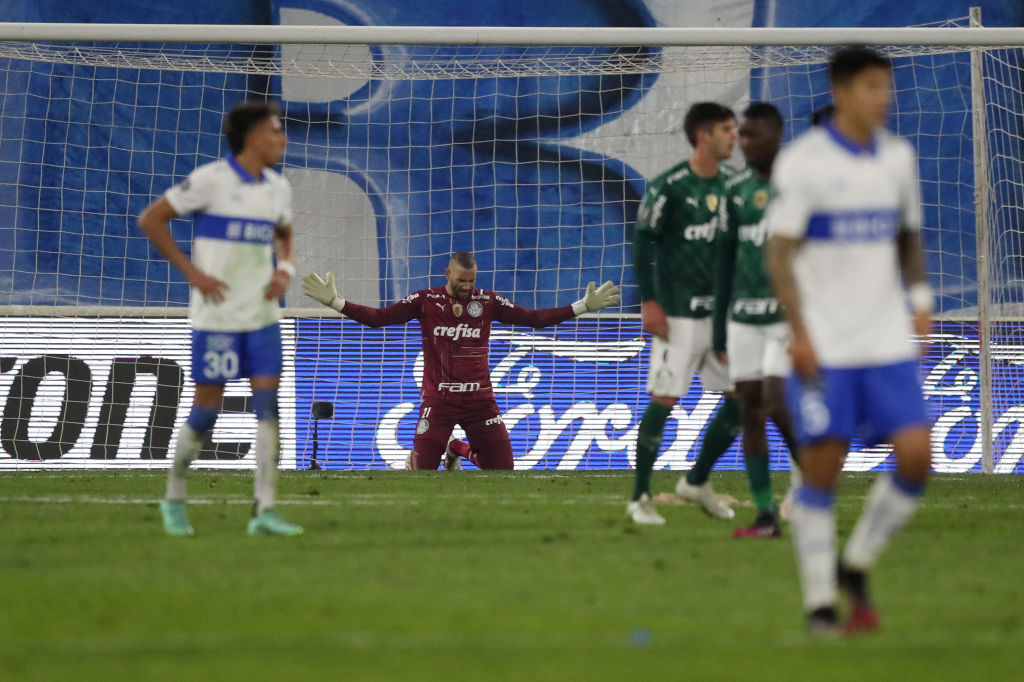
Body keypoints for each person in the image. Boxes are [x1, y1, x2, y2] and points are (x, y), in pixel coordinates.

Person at [766, 46, 933, 634]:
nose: (883, 97)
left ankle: (855, 564)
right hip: (828, 343)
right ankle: (818, 604)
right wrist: (801, 332)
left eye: (886, 86)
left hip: (885, 336)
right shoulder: (804, 162)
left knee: (917, 457)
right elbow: (779, 252)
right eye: (870, 86)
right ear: (840, 91)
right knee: (824, 467)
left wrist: (920, 300)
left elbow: (907, 237)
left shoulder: (897, 157)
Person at [138, 100, 303, 537]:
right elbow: (152, 219)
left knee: (268, 408)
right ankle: (174, 500)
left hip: (263, 316)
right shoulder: (210, 181)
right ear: (252, 138)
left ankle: (264, 511)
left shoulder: (277, 187)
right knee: (206, 412)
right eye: (275, 131)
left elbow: (284, 234)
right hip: (217, 318)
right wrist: (193, 274)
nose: (283, 139)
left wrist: (284, 270)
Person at [302, 252, 620, 470]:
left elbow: (534, 319)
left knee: (503, 472)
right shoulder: (425, 300)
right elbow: (379, 318)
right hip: (439, 402)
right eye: (461, 281)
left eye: (471, 281)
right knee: (422, 474)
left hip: (481, 402)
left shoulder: (488, 301)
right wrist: (335, 301)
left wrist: (581, 306)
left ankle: (458, 449)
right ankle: (430, 455)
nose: (467, 287)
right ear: (447, 274)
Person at [627, 101, 740, 525]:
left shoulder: (734, 184)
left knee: (743, 399)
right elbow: (643, 243)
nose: (733, 136)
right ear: (704, 135)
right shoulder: (669, 186)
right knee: (664, 399)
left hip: (722, 319)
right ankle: (640, 497)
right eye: (726, 129)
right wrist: (650, 302)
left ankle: (696, 480)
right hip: (676, 318)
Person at [713, 102, 802, 539]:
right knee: (749, 405)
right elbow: (726, 257)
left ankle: (814, 481)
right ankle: (766, 513)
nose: (744, 144)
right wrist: (717, 326)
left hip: (786, 315)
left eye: (753, 136)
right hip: (743, 316)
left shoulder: (799, 187)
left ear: (777, 134)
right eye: (741, 136)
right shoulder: (735, 190)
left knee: (777, 402)